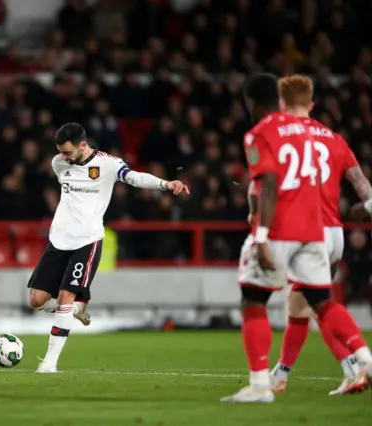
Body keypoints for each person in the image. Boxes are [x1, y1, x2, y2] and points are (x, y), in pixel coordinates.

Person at [221, 73, 372, 403]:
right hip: (319, 230)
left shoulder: (262, 133)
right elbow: (361, 185)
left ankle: (262, 384)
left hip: (282, 225)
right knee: (319, 302)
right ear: (310, 102)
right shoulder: (323, 135)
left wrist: (260, 232)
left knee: (255, 299)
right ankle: (361, 359)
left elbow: (267, 186)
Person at [29, 122, 189, 373]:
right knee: (36, 300)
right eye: (61, 152)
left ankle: (50, 362)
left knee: (64, 297)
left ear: (83, 146)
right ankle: (75, 309)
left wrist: (165, 184)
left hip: (87, 240)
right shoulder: (58, 163)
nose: (64, 157)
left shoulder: (108, 164)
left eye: (68, 152)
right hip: (59, 239)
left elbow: (135, 177)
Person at [268, 75, 372, 395]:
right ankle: (282, 374)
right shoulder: (334, 139)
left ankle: (355, 365)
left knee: (318, 303)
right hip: (336, 235)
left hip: (308, 233)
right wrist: (367, 206)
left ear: (283, 104)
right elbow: (361, 184)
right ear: (312, 104)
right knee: (301, 303)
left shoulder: (284, 137)